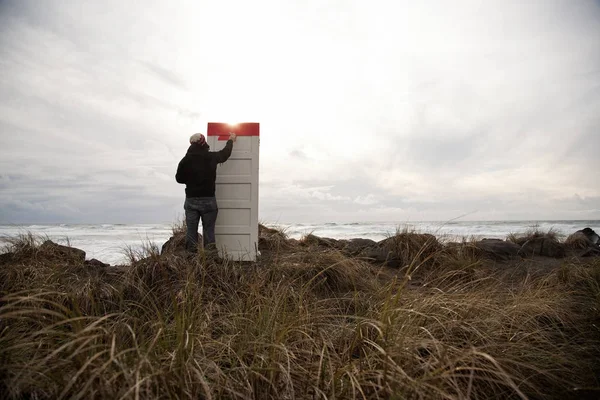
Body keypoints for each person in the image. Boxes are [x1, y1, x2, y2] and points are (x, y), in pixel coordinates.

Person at [176, 132, 237, 253]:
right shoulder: (210, 157)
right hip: (209, 200)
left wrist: (191, 179)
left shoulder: (185, 160)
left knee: (191, 231)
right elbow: (224, 154)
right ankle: (210, 260)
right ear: (203, 142)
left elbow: (179, 179)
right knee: (209, 230)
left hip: (191, 200)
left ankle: (191, 259)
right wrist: (230, 141)